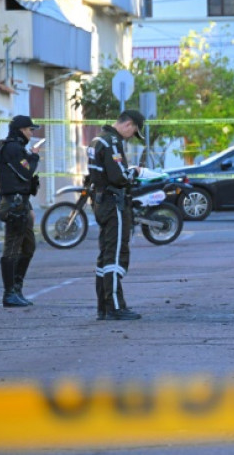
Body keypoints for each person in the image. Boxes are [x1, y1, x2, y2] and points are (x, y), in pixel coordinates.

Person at [87, 110, 145, 321]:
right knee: (115, 255)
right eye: (133, 131)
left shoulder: (96, 140)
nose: (131, 136)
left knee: (105, 254)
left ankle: (103, 306)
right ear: (128, 124)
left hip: (102, 201)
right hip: (114, 203)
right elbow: (118, 176)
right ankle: (115, 307)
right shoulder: (112, 142)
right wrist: (137, 172)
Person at [0, 115, 42, 307]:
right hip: (14, 204)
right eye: (30, 130)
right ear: (21, 130)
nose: (32, 133)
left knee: (29, 247)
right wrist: (34, 155)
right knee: (12, 248)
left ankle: (17, 288)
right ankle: (9, 293)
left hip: (22, 203)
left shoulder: (16, 148)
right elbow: (26, 171)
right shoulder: (12, 148)